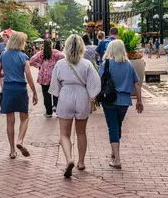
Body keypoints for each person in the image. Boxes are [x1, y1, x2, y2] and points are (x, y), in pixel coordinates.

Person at [49, 34, 101, 177]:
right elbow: (95, 84)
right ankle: (81, 162)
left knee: (64, 134)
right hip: (82, 95)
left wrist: (60, 95)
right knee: (81, 132)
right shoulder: (87, 64)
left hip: (66, 94)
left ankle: (69, 159)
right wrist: (92, 96)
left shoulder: (60, 64)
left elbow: (54, 87)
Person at [98, 40, 143, 169]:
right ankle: (114, 152)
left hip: (109, 100)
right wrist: (139, 101)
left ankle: (117, 159)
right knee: (118, 126)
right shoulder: (129, 65)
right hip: (124, 101)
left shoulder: (106, 64)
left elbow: (98, 80)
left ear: (110, 50)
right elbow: (136, 84)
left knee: (113, 127)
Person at [0, 32, 38, 159]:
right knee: (24, 117)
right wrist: (34, 92)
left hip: (8, 88)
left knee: (10, 120)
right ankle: (20, 140)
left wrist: (7, 75)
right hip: (20, 88)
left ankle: (12, 150)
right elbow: (29, 76)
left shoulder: (3, 55)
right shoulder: (23, 56)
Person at [30, 40, 64, 117]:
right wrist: (58, 64)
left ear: (43, 45)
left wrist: (39, 65)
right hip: (54, 74)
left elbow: (31, 60)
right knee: (56, 91)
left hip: (44, 76)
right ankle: (56, 107)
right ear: (51, 44)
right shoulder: (55, 52)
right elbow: (64, 57)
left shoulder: (40, 53)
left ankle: (48, 112)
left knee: (46, 94)